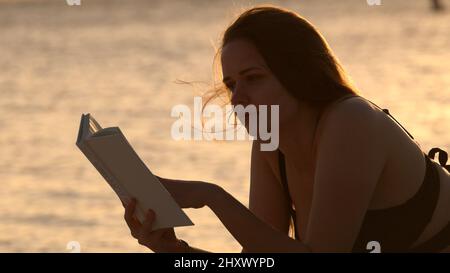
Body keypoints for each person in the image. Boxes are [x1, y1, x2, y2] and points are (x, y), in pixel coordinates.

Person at [123, 6, 450, 253]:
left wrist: (210, 196)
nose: (237, 98)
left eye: (253, 78)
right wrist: (174, 250)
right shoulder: (269, 142)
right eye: (231, 84)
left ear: (299, 72)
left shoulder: (351, 121)